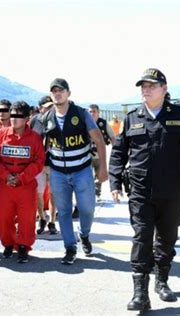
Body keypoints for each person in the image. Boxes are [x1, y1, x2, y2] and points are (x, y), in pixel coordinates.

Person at [109, 68, 180, 311]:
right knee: (142, 238)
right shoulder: (133, 117)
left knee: (167, 238)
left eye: (151, 85)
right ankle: (140, 292)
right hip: (140, 192)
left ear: (164, 89)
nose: (146, 89)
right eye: (143, 86)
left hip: (172, 191)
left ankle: (161, 281)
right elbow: (119, 153)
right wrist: (114, 182)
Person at [42, 78, 107, 265]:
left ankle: (84, 234)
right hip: (58, 173)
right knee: (63, 211)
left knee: (87, 209)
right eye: (54, 91)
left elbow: (99, 141)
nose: (57, 93)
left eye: (61, 90)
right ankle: (70, 247)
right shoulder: (47, 117)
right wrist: (44, 168)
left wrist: (103, 168)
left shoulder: (81, 114)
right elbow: (40, 144)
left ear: (68, 93)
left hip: (82, 171)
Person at [0, 101, 45, 263]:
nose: (14, 119)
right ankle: (7, 244)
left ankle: (23, 246)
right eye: (12, 115)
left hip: (25, 185)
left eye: (19, 116)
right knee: (4, 216)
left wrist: (22, 177)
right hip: (4, 184)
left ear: (27, 118)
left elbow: (39, 161)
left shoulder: (34, 138)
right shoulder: (0, 134)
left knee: (26, 218)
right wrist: (5, 175)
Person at [31, 95, 58, 235]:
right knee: (38, 193)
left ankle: (52, 221)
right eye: (47, 107)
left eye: (52, 106)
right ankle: (42, 218)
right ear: (40, 108)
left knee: (54, 194)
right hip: (38, 164)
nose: (50, 109)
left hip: (55, 163)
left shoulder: (58, 120)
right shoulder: (34, 121)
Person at [88, 104, 115, 200]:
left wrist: (115, 151)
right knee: (87, 175)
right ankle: (90, 193)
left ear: (98, 113)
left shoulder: (103, 124)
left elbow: (112, 137)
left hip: (100, 154)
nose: (92, 114)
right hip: (87, 155)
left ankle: (97, 193)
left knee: (99, 175)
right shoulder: (84, 123)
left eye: (94, 111)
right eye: (90, 112)